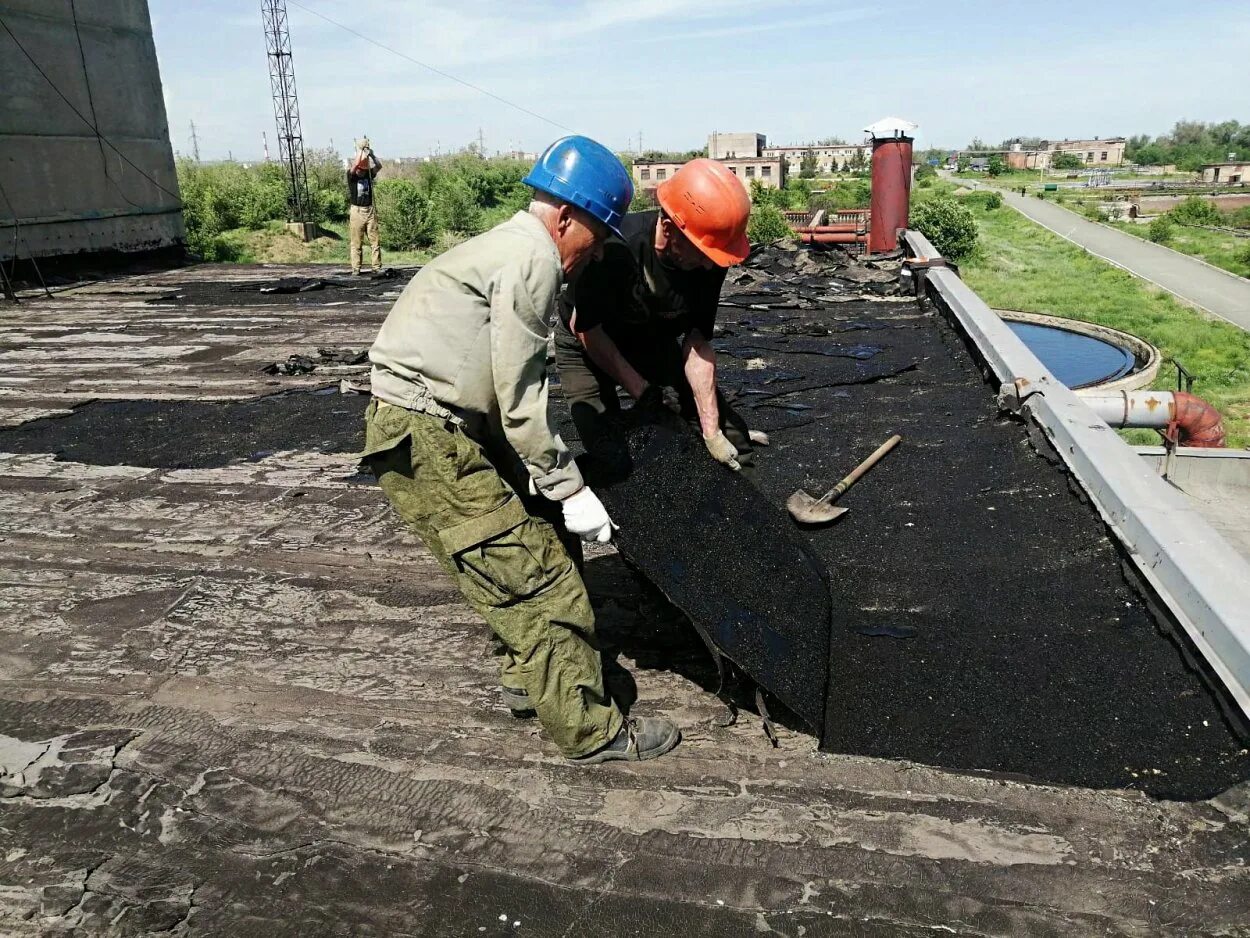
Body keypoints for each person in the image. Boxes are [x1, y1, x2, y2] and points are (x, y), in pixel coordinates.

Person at [363, 135, 680, 764]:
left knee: (534, 537)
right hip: (431, 438)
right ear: (566, 215)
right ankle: (592, 731)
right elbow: (521, 392)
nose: (594, 255)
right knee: (540, 579)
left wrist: (545, 484)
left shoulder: (510, 247)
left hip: (444, 425)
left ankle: (531, 683)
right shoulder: (533, 259)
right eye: (597, 235)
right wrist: (568, 486)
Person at [554, 158, 766, 471]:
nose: (710, 266)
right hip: (588, 341)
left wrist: (711, 430)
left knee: (735, 443)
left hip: (649, 335)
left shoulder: (710, 259)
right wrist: (646, 395)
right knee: (612, 456)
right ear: (668, 228)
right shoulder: (615, 248)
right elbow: (587, 331)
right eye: (705, 255)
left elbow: (696, 343)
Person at [348, 137, 382, 275]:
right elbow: (354, 166)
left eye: (363, 168)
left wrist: (371, 154)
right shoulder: (352, 177)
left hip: (369, 210)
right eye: (360, 169)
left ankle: (376, 267)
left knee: (375, 241)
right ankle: (356, 268)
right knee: (357, 242)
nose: (361, 171)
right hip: (357, 211)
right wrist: (360, 151)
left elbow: (379, 166)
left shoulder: (368, 175)